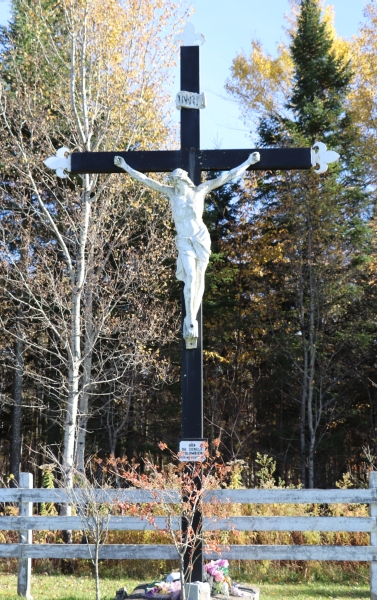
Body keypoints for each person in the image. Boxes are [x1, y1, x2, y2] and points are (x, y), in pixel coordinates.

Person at [114, 152, 260, 348]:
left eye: (176, 181)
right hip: (183, 240)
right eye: (172, 182)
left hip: (200, 238)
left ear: (183, 180)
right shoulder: (171, 193)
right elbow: (146, 180)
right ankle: (190, 318)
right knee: (190, 277)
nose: (174, 185)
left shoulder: (200, 190)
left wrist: (248, 163)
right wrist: (125, 167)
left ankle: (193, 317)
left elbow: (227, 176)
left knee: (199, 278)